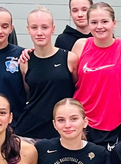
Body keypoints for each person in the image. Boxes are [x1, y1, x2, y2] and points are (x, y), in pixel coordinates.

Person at [72, 3, 121, 147]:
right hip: (82, 121)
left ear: (114, 23)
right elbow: (71, 81)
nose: (99, 26)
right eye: (94, 22)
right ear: (88, 24)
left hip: (110, 123)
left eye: (105, 21)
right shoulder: (80, 45)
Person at [18, 7, 78, 140]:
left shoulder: (69, 58)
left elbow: (78, 90)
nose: (39, 32)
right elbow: (28, 94)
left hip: (62, 130)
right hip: (29, 131)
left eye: (44, 27)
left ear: (53, 29)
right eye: (34, 27)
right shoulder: (24, 62)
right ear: (28, 29)